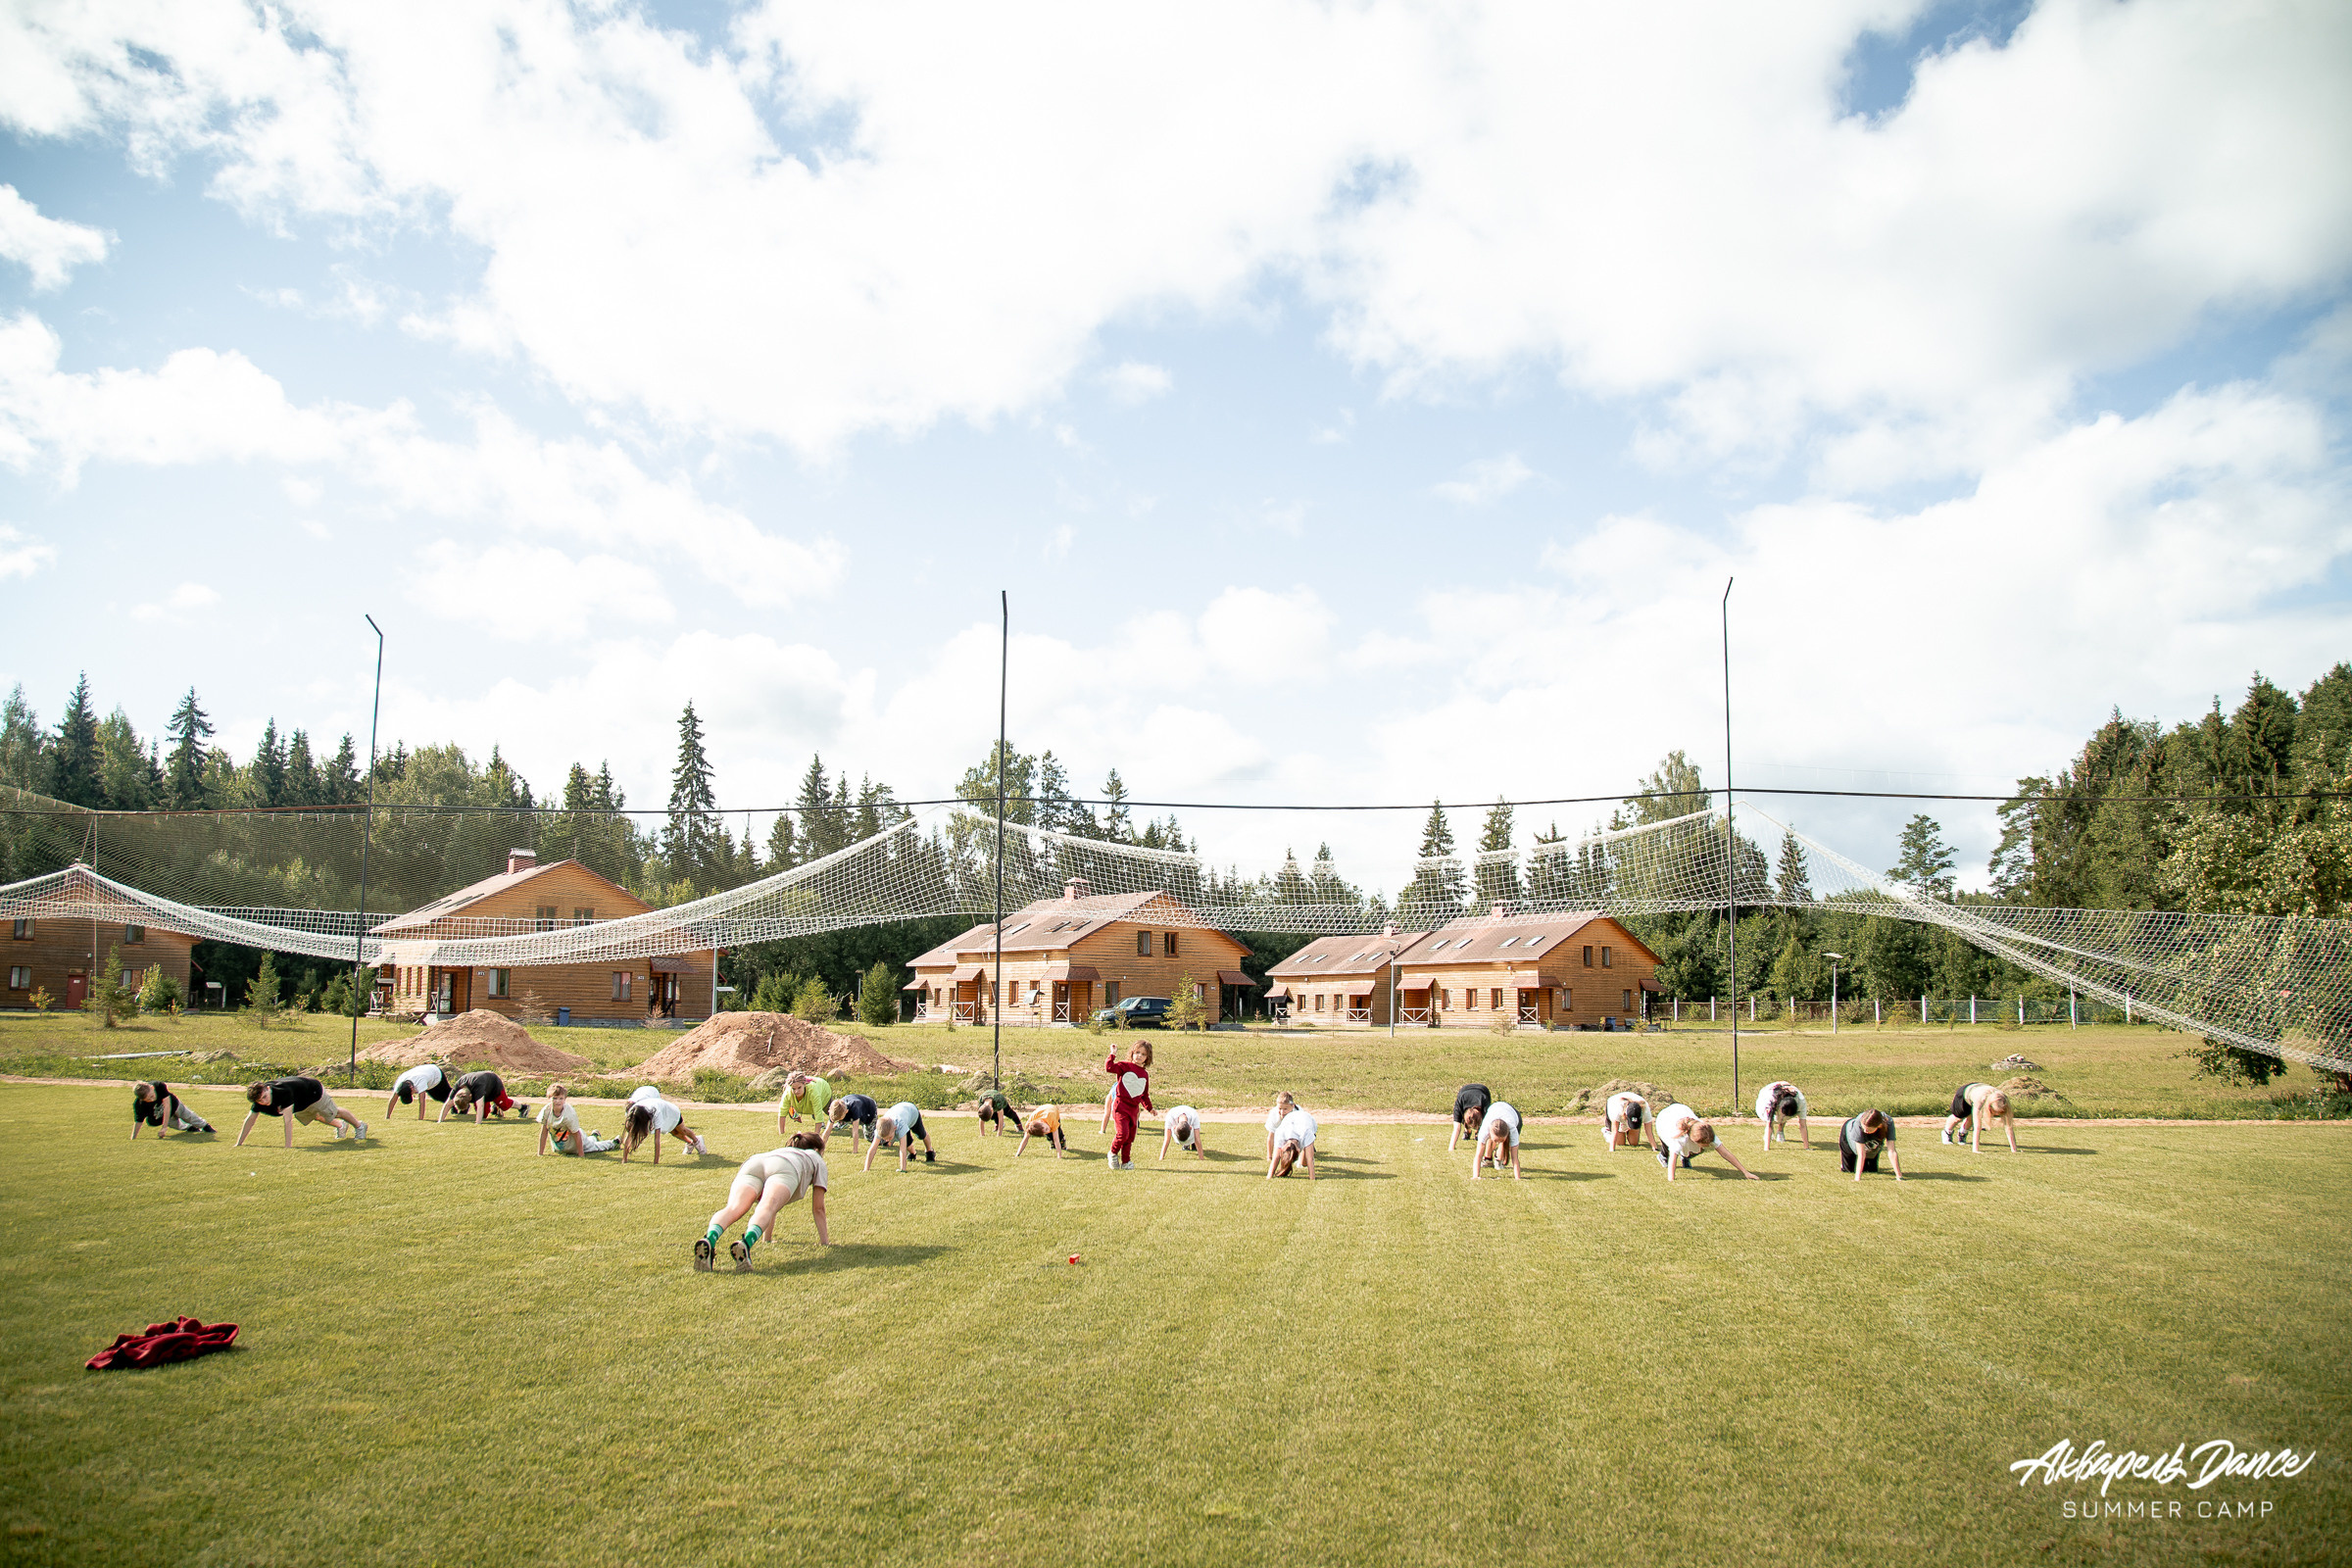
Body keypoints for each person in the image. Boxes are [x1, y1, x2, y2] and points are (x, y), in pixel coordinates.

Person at [696, 1132, 831, 1271]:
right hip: (786, 1167)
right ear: (816, 1150)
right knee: (767, 1206)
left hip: (754, 1162)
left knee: (733, 1208)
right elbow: (818, 1208)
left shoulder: (786, 1151)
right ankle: (746, 1243)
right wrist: (825, 1242)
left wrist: (767, 1238)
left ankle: (709, 1238)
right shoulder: (816, 1158)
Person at [235, 1076, 366, 1148]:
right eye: (260, 1101)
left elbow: (287, 1121)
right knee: (316, 1117)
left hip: (314, 1092)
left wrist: (288, 1147)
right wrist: (239, 1144)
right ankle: (341, 1126)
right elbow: (250, 1121)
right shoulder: (258, 1102)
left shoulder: (283, 1093)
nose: (264, 1102)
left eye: (265, 1097)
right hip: (300, 1101)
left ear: (268, 1088)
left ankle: (360, 1126)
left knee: (334, 1112)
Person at [1653, 1102, 1757, 1182]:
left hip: (1682, 1110)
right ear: (1692, 1139)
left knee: (1700, 1149)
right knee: (1669, 1147)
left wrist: (1746, 1172)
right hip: (1664, 1120)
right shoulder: (1679, 1137)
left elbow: (1725, 1153)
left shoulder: (1706, 1131)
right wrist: (1671, 1179)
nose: (1707, 1145)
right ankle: (1662, 1156)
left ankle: (1685, 1157)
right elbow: (1673, 1157)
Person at [619, 1085, 709, 1163]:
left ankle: (697, 1141)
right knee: (674, 1133)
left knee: (681, 1130)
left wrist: (656, 1162)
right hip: (656, 1108)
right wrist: (624, 1159)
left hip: (671, 1112)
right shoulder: (633, 1112)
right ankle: (690, 1143)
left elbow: (657, 1140)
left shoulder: (655, 1113)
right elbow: (629, 1135)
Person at [1102, 1041, 1153, 1171]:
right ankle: (1113, 1153)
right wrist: (1112, 1054)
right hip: (1121, 1107)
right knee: (1122, 1134)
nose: (1139, 1056)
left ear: (1147, 1058)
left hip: (1133, 1110)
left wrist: (1150, 1108)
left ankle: (1126, 1161)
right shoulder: (1124, 1066)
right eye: (1137, 1052)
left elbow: (1144, 1095)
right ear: (1132, 1053)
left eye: (1143, 1054)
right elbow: (1109, 1068)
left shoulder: (1144, 1075)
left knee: (1130, 1137)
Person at [535, 1084, 616, 1155]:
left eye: (561, 1098)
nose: (557, 1101)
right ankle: (594, 1135)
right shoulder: (546, 1111)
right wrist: (540, 1153)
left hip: (577, 1140)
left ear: (565, 1099)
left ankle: (613, 1143)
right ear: (549, 1098)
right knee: (590, 1141)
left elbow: (576, 1134)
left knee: (594, 1147)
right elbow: (544, 1131)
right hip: (563, 1145)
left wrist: (581, 1154)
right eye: (554, 1098)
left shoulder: (568, 1114)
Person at [1942, 1083, 2019, 1153]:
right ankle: (1947, 1132)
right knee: (1958, 1118)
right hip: (1964, 1094)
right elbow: (1977, 1126)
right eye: (1995, 1112)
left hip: (1978, 1090)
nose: (1997, 1115)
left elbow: (2009, 1126)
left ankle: (1962, 1133)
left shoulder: (2004, 1101)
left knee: (1971, 1118)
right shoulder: (1980, 1099)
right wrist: (1975, 1150)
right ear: (1989, 1106)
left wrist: (2014, 1149)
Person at [865, 1100, 938, 1173]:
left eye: (889, 1138)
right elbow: (873, 1149)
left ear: (895, 1129)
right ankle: (913, 1153)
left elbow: (902, 1149)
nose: (887, 1140)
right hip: (902, 1113)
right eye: (884, 1139)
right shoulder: (880, 1128)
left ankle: (930, 1151)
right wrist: (866, 1169)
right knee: (908, 1144)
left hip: (912, 1112)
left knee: (921, 1135)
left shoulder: (900, 1125)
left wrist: (903, 1169)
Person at [131, 1080, 212, 1139]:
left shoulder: (159, 1086)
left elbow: (167, 1105)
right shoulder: (139, 1105)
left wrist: (164, 1127)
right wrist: (133, 1138)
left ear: (152, 1088)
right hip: (163, 1115)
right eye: (148, 1099)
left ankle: (205, 1126)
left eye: (152, 1096)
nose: (152, 1100)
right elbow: (138, 1121)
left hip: (174, 1105)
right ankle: (190, 1128)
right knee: (175, 1124)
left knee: (188, 1116)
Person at [1839, 1108, 1904, 1181]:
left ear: (1879, 1126)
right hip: (1849, 1134)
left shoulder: (1888, 1122)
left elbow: (1892, 1151)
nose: (1865, 1131)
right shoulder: (1859, 1123)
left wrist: (1899, 1176)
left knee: (1871, 1170)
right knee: (1850, 1170)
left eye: (1868, 1129)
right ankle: (1844, 1165)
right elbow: (1861, 1153)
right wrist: (1857, 1178)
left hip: (1873, 1139)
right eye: (1864, 1128)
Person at [1471, 1101, 1523, 1180]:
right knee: (1490, 1143)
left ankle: (1499, 1161)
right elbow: (1478, 1156)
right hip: (1494, 1108)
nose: (1498, 1142)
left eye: (1501, 1140)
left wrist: (1518, 1178)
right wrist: (1475, 1176)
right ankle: (1488, 1160)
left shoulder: (1512, 1128)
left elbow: (1515, 1157)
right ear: (1489, 1133)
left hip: (1512, 1112)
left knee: (1506, 1146)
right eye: (1496, 1140)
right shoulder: (1485, 1128)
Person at [1754, 1080, 1810, 1151]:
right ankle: (1769, 1135)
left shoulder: (1801, 1101)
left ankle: (1780, 1130)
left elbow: (1803, 1125)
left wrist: (1807, 1147)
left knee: (1781, 1118)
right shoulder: (1770, 1099)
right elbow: (1769, 1123)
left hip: (1783, 1103)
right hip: (1766, 1098)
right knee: (1770, 1119)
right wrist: (1766, 1148)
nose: (1784, 1118)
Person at [386, 1062, 455, 1120]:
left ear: (411, 1087)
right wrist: (388, 1117)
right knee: (436, 1097)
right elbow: (393, 1099)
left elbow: (422, 1101)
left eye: (411, 1094)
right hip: (427, 1077)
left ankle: (461, 1102)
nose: (412, 1095)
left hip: (436, 1074)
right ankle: (456, 1106)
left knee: (445, 1096)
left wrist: (420, 1119)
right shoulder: (400, 1083)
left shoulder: (420, 1081)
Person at [441, 1070, 513, 1125]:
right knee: (484, 1115)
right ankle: (494, 1109)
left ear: (470, 1097)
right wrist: (440, 1120)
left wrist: (478, 1123)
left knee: (505, 1105)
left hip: (494, 1084)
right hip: (484, 1087)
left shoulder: (477, 1086)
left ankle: (522, 1108)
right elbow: (447, 1104)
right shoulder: (458, 1086)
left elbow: (480, 1105)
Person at [1267, 1103, 1317, 1179]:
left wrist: (1312, 1179)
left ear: (1298, 1149)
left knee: (1305, 1161)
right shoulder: (1280, 1132)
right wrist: (1269, 1176)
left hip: (1307, 1119)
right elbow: (1276, 1158)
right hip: (1290, 1120)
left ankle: (1307, 1148)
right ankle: (1307, 1148)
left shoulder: (1306, 1132)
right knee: (1306, 1155)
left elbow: (1310, 1159)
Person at [776, 1072, 832, 1137]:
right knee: (813, 1113)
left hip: (824, 1091)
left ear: (804, 1084)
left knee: (830, 1112)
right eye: (794, 1089)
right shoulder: (787, 1093)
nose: (796, 1091)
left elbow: (818, 1113)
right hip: (808, 1103)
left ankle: (843, 1121)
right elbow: (782, 1113)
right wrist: (781, 1133)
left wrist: (816, 1135)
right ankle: (820, 1124)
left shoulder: (813, 1091)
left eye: (799, 1088)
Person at [1449, 1084, 1492, 1152]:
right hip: (1464, 1090)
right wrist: (1451, 1147)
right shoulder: (1460, 1103)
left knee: (1484, 1120)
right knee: (1469, 1118)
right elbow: (1456, 1128)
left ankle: (1478, 1132)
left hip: (1483, 1090)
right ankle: (1467, 1131)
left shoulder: (1484, 1101)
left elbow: (1488, 1124)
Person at [1262, 1092, 1302, 1161]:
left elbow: (1302, 1135)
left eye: (1285, 1109)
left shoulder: (1299, 1113)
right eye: (1280, 1108)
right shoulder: (1274, 1115)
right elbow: (1271, 1137)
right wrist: (1269, 1157)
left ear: (1292, 1106)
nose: (1282, 1112)